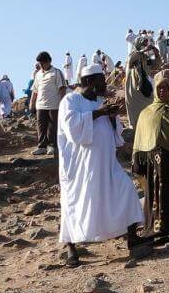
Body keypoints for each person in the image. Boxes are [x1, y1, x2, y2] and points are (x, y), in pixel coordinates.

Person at [58, 64, 144, 267]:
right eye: (101, 80)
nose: (105, 84)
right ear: (89, 81)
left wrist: (112, 117)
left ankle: (132, 237)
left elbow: (115, 134)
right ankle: (71, 247)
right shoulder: (70, 100)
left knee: (126, 189)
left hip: (106, 163)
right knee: (74, 202)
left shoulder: (99, 101)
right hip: (80, 166)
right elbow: (73, 129)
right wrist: (99, 112)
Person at [133, 75, 169, 243]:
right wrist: (137, 159)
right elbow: (140, 138)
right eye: (159, 88)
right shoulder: (146, 113)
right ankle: (157, 229)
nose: (162, 90)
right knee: (154, 192)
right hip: (153, 164)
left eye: (165, 87)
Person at [30, 51, 68, 156]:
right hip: (40, 105)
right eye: (40, 63)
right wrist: (31, 104)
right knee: (41, 126)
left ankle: (52, 146)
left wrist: (63, 104)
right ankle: (41, 147)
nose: (41, 65)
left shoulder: (56, 72)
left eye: (43, 63)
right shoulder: (38, 74)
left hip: (54, 105)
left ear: (49, 61)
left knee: (52, 126)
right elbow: (35, 90)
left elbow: (62, 89)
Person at [124, 49, 153, 133]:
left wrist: (155, 52)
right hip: (134, 93)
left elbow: (155, 64)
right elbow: (131, 61)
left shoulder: (144, 59)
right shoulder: (132, 62)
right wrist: (142, 50)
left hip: (144, 92)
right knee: (137, 116)